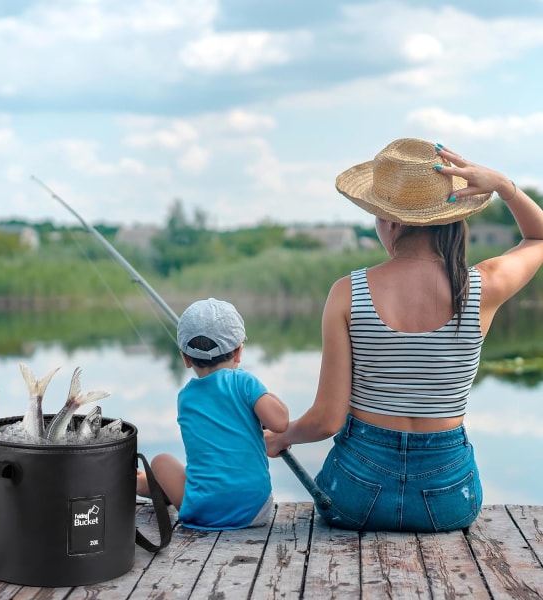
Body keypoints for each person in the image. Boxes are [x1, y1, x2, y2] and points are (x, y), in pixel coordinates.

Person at [264, 138, 543, 532]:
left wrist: (280, 437)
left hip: (354, 497)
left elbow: (326, 421)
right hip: (450, 499)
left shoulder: (348, 292)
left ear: (391, 221)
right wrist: (503, 186)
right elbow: (538, 238)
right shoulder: (483, 286)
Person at [137, 297, 289, 530]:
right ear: (238, 353)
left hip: (202, 512)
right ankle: (144, 484)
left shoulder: (185, 398)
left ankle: (139, 485)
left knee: (161, 461)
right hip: (255, 510)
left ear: (186, 358)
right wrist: (264, 393)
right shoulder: (245, 383)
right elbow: (280, 422)